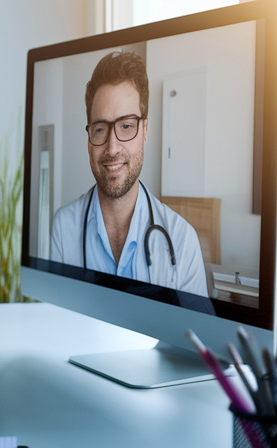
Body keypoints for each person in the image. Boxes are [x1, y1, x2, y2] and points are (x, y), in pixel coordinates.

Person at [49, 51, 208, 297]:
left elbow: (194, 335)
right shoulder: (63, 227)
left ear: (145, 129)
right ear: (89, 137)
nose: (112, 148)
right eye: (100, 129)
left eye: (126, 126)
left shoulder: (182, 240)